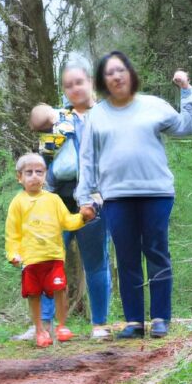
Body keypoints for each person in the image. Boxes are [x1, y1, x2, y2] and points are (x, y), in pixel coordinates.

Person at [75, 50, 192, 340]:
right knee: (126, 256)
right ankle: (134, 321)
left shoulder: (153, 106)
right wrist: (85, 198)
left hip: (156, 193)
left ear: (130, 74)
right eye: (109, 73)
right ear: (102, 81)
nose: (116, 76)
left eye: (121, 70)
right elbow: (87, 159)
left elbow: (188, 127)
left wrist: (186, 90)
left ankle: (160, 317)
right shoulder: (96, 116)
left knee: (156, 252)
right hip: (116, 197)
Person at [36, 63, 116, 340]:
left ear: (91, 82)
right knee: (48, 258)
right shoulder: (57, 118)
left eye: (78, 82)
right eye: (68, 85)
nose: (74, 89)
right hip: (58, 198)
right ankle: (43, 325)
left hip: (94, 198)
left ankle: (99, 324)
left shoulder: (108, 114)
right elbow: (45, 157)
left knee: (95, 262)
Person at [5, 150, 85, 349]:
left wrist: (83, 217)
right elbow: (12, 233)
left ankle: (62, 326)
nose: (34, 176)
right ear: (19, 177)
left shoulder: (54, 200)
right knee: (34, 294)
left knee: (59, 288)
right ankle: (40, 330)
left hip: (54, 257)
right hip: (31, 260)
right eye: (29, 172)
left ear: (46, 174)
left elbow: (68, 221)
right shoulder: (17, 203)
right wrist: (13, 254)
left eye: (39, 172)